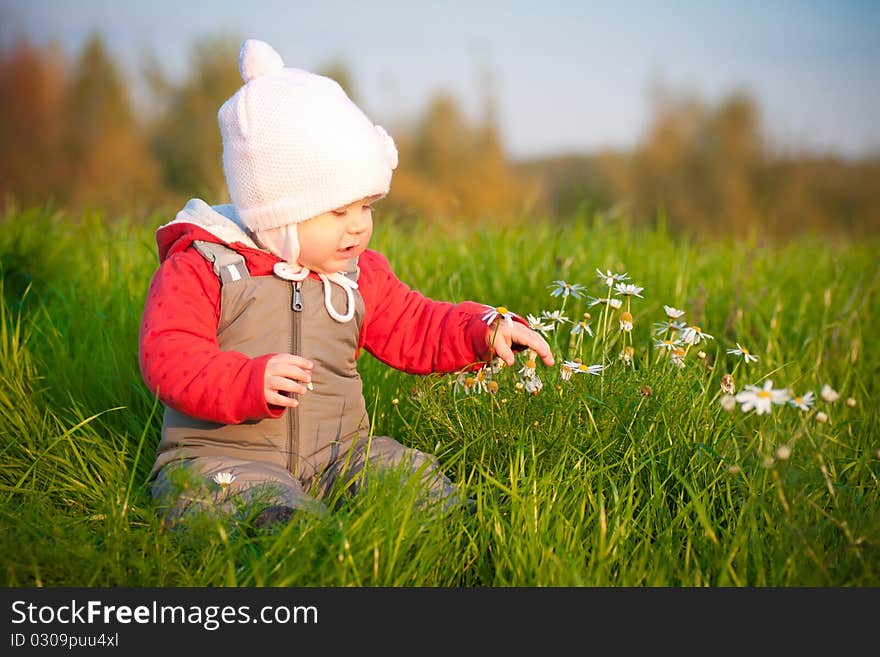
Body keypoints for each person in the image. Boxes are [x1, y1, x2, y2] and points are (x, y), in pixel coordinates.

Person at [138, 38, 554, 528]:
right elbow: (169, 355)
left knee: (401, 472)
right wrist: (246, 380)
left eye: (367, 207)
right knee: (227, 498)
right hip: (223, 456)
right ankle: (284, 530)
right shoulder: (206, 265)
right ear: (277, 214)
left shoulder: (358, 276)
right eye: (338, 210)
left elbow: (416, 324)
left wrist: (486, 329)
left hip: (339, 454)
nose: (358, 225)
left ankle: (455, 528)